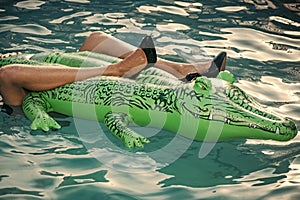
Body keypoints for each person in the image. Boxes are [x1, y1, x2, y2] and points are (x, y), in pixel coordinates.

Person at [0, 32, 226, 109]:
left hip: (36, 72)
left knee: (95, 40)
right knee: (7, 74)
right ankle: (114, 70)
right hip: (21, 102)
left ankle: (179, 70)